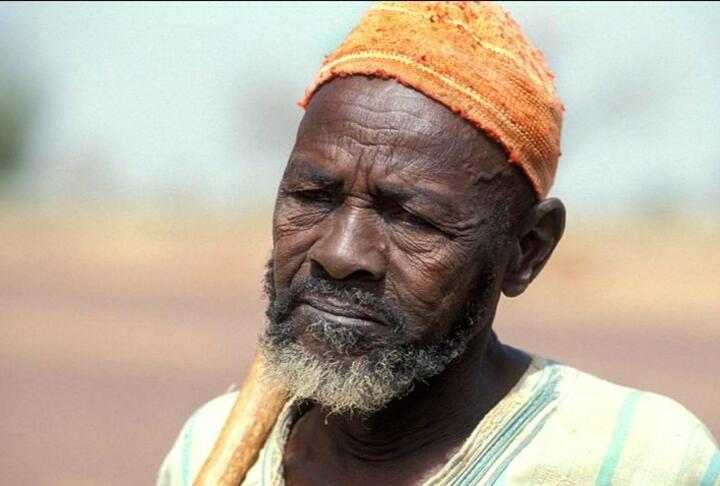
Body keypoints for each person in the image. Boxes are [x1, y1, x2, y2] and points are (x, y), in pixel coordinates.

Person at [157, 2, 719, 485]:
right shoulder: (204, 449)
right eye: (314, 197)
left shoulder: (642, 461)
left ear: (526, 251)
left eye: (410, 219)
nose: (339, 253)